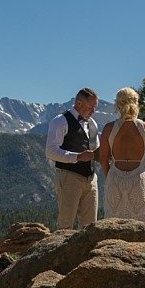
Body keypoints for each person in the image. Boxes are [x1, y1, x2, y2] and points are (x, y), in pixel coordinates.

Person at [98, 87, 145, 222]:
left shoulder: (109, 128)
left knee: (112, 224)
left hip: (115, 178)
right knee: (140, 223)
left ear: (118, 105)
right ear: (136, 103)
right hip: (139, 179)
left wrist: (110, 176)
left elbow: (103, 160)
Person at [45, 88, 100, 230]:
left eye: (95, 108)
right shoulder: (60, 121)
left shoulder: (93, 124)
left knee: (90, 225)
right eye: (90, 107)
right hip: (69, 177)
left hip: (91, 179)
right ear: (79, 103)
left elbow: (97, 147)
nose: (93, 111)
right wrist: (77, 157)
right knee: (66, 223)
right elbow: (50, 151)